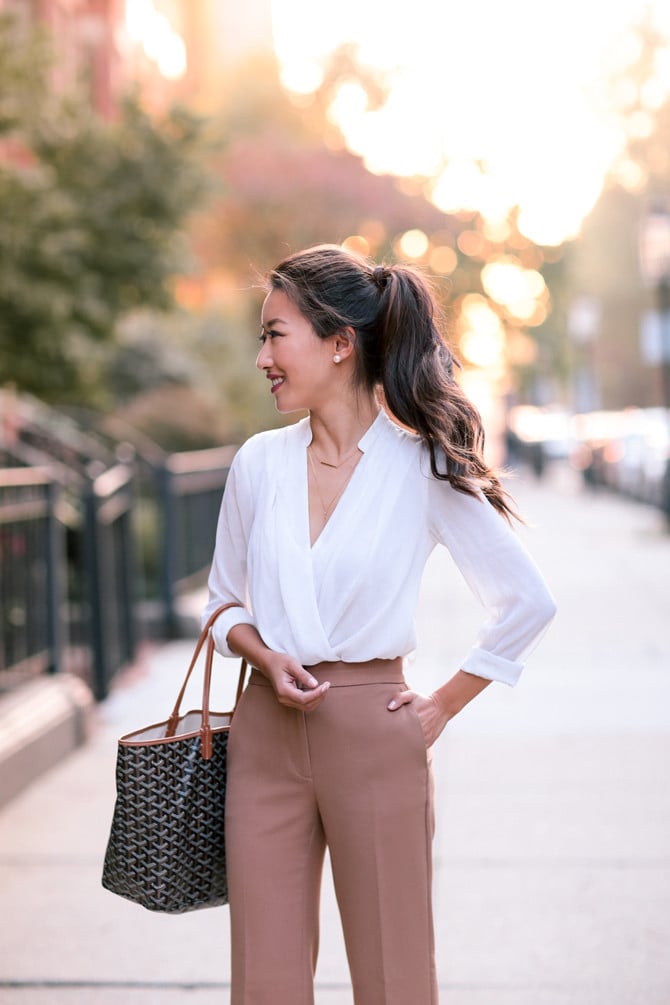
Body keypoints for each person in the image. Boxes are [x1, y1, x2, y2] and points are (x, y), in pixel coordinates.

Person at [202, 244, 556, 1005]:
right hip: (263, 732)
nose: (262, 355)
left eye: (275, 333)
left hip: (374, 729)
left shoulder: (419, 466)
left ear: (339, 343)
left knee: (395, 978)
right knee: (264, 983)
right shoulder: (257, 464)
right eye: (262, 337)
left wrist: (443, 704)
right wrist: (264, 656)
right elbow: (222, 601)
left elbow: (527, 598)